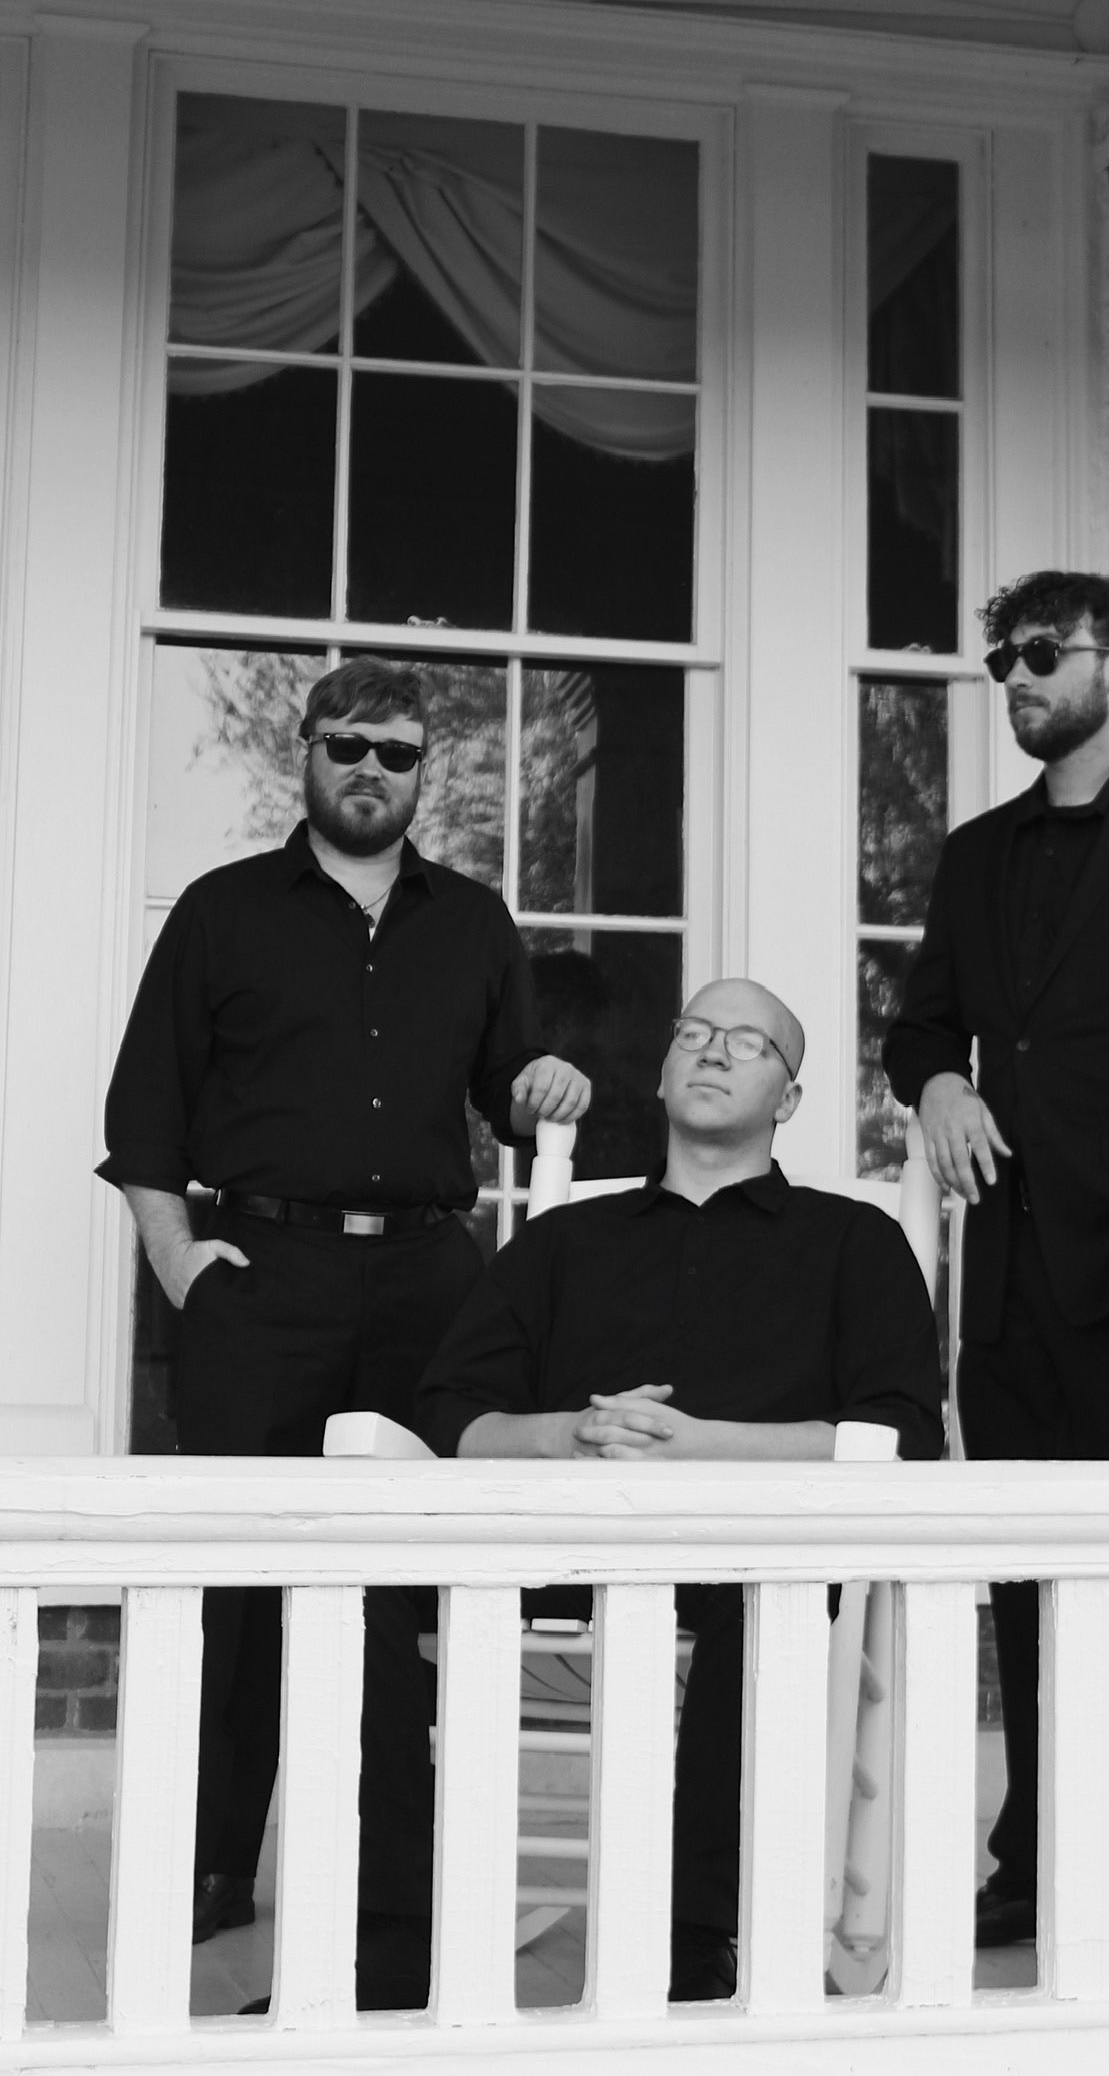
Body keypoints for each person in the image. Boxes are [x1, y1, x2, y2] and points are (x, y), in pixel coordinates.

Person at [98, 654, 591, 2009]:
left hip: (428, 1283)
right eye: (347, 744)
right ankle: (209, 1863)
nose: (371, 768)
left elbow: (509, 1089)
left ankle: (392, 1882)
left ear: (426, 769)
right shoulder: (221, 912)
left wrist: (545, 1078)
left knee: (409, 1586)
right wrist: (184, 1263)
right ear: (305, 756)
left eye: (397, 750)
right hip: (261, 1279)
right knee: (233, 1583)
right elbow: (144, 1117)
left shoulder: (477, 922)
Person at [416, 978, 944, 2002]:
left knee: (755, 1611)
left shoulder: (853, 1245)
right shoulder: (568, 1244)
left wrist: (706, 1448)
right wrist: (566, 1432)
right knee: (368, 1614)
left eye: (747, 1042)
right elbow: (450, 1416)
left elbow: (903, 1436)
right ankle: (391, 1927)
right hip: (560, 1567)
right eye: (693, 1034)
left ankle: (692, 1941)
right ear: (662, 1072)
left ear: (787, 1099)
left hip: (761, 1571)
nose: (711, 1051)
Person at [882, 571, 1109, 1951]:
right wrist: (936, 1090)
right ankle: (1033, 1858)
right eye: (1000, 661)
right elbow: (923, 1026)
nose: (1017, 677)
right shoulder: (976, 854)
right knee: (1026, 1577)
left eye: (1041, 653)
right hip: (1016, 1281)